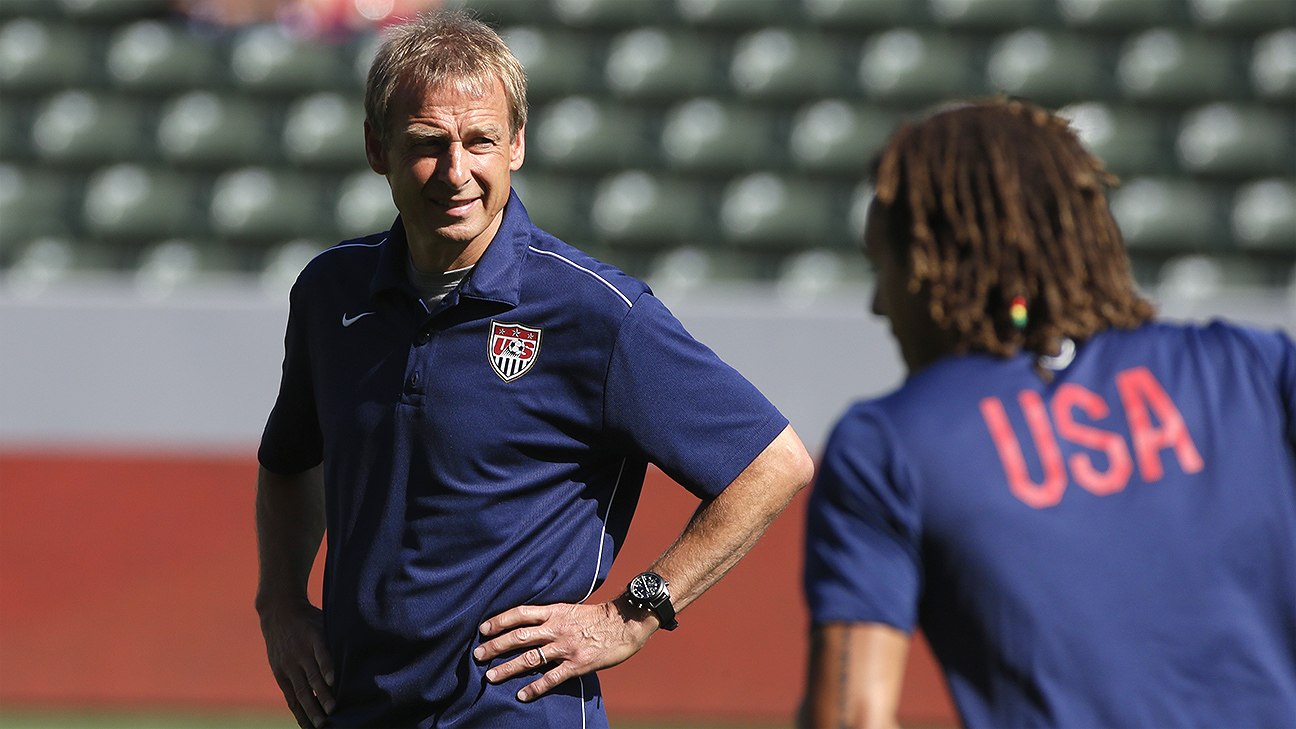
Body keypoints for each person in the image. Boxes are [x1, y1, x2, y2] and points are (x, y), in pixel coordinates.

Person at [255, 10, 814, 729]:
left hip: (515, 714)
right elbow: (290, 461)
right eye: (428, 143)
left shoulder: (596, 312)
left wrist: (633, 612)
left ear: (515, 144)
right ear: (376, 146)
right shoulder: (330, 292)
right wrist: (280, 601)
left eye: (480, 140)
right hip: (357, 710)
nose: (456, 172)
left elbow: (775, 463)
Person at [801, 98, 1296, 728]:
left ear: (931, 264)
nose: (877, 305)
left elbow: (849, 719)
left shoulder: (884, 444)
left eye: (882, 268)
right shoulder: (1252, 367)